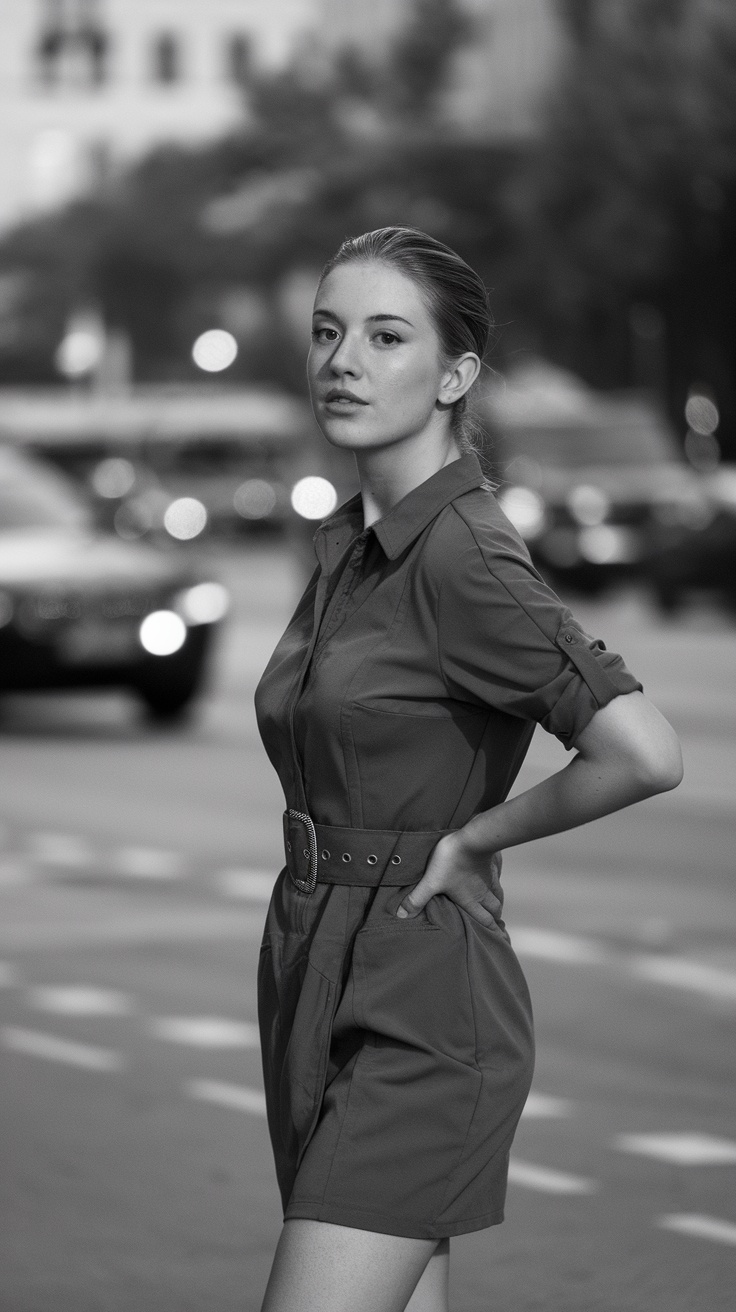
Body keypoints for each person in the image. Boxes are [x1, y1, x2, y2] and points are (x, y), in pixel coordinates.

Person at [254, 227, 683, 1312]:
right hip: (312, 961)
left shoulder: (463, 551)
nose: (342, 359)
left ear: (454, 374)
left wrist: (479, 835)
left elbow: (642, 750)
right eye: (326, 331)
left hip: (422, 997)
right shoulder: (355, 541)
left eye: (384, 336)